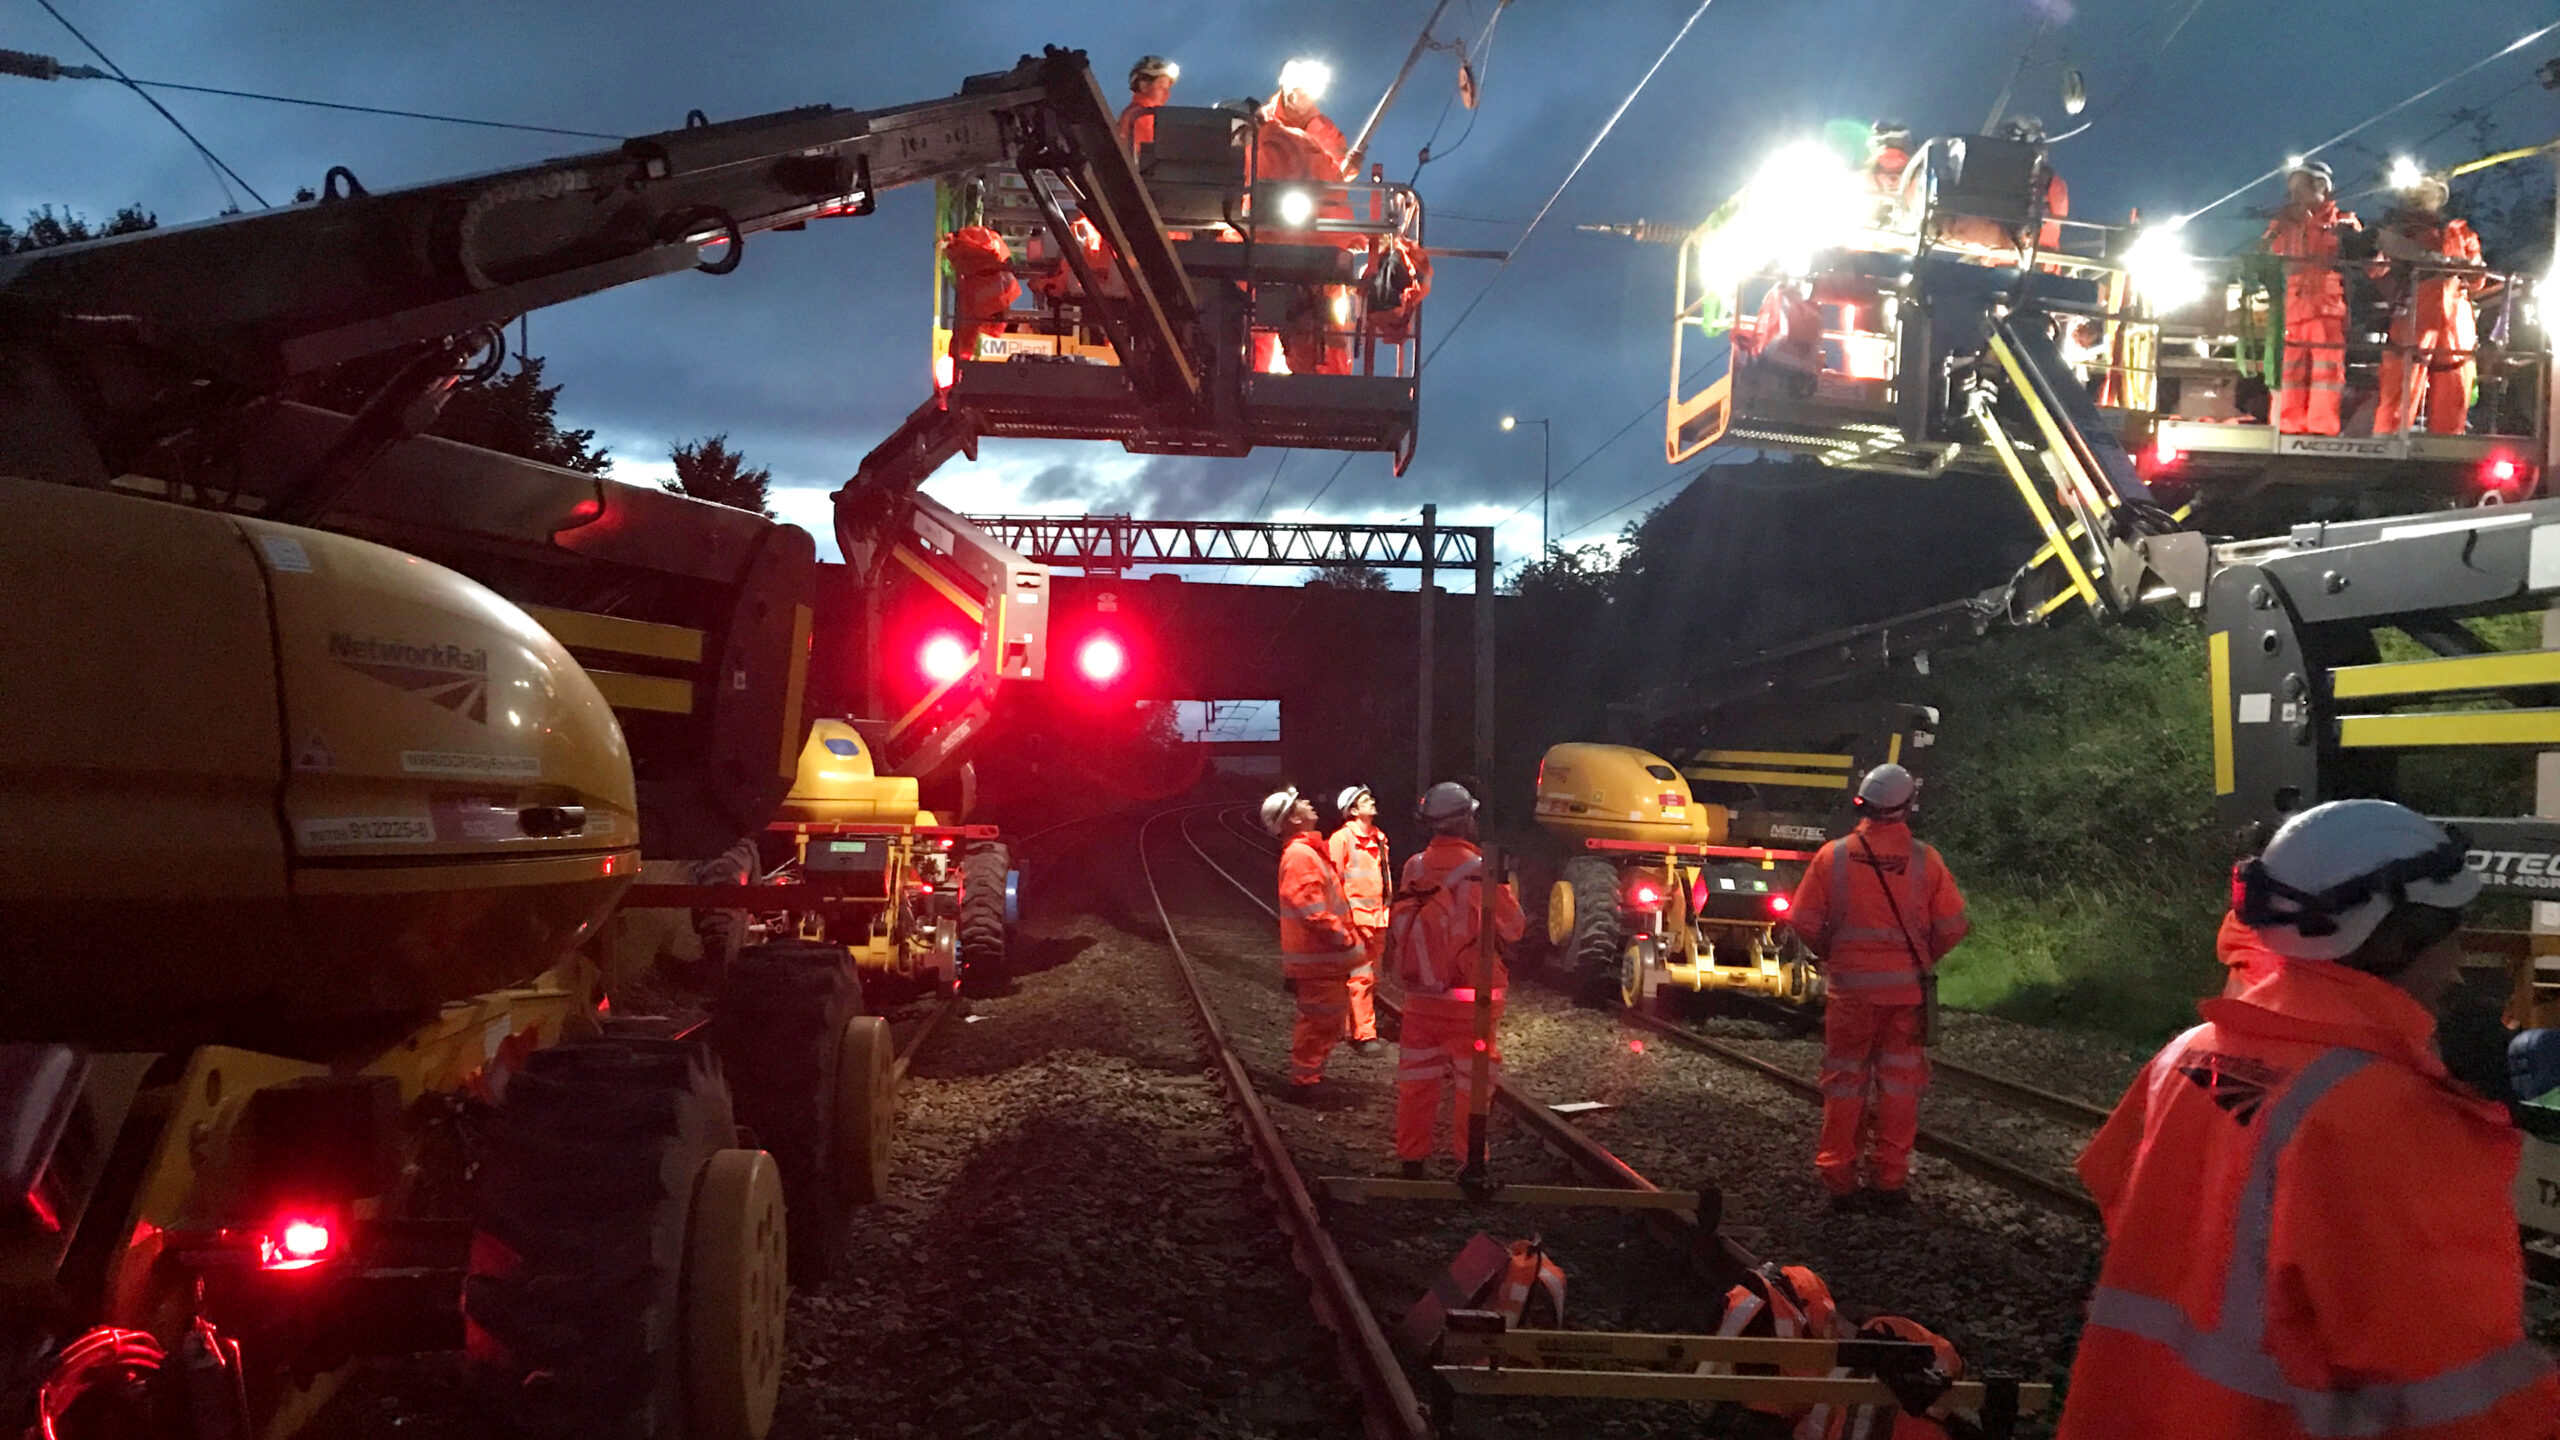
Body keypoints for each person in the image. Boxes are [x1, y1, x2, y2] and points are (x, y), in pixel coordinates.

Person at [2056, 800, 2560, 1439]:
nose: (2460, 962)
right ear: (2396, 938)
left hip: (2144, 1412)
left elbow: (2145, 1207)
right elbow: (2453, 1385)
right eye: (2454, 931)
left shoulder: (2191, 1055)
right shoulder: (2386, 1116)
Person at [1785, 763, 1968, 1209]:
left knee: (1845, 1084)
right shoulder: (1926, 861)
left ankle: (1839, 1181)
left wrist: (1836, 955)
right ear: (1906, 808)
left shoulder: (1834, 857)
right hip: (1906, 997)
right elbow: (1954, 925)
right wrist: (1920, 959)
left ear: (1862, 804)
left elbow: (1803, 920)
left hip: (1850, 995)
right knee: (1900, 1086)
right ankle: (1890, 1180)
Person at [1386, 782, 1523, 1176]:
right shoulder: (1480, 871)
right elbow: (1513, 927)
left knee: (1417, 1079)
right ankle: (1471, 1161)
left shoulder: (1414, 866)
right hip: (1470, 999)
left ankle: (1411, 1160)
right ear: (1465, 820)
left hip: (1421, 995)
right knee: (1473, 1082)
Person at [1252, 59, 1355, 376]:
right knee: (1258, 318)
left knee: (1328, 324)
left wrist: (1348, 168)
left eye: (1312, 93)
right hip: (1269, 237)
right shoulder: (1260, 125)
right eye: (1302, 92)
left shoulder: (1323, 129)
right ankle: (1254, 374)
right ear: (1287, 90)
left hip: (1318, 238)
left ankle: (1329, 383)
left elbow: (1336, 173)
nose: (1308, 100)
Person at [1263, 786, 1361, 1100]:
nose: (1308, 803)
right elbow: (1311, 909)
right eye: (1301, 803)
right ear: (1292, 818)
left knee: (1324, 1021)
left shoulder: (1305, 851)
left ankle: (1309, 1076)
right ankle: (1304, 1083)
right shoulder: (1301, 855)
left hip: (1322, 960)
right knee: (1319, 1021)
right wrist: (1342, 937)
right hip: (1319, 959)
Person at [2375, 172, 2486, 435]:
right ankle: (2389, 440)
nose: (2421, 198)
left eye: (2427, 192)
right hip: (2416, 309)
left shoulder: (2459, 232)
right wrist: (2442, 262)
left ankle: (2449, 443)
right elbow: (2380, 264)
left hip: (2456, 317)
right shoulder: (2397, 232)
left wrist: (2469, 267)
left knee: (2455, 386)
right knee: (2402, 383)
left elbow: (2478, 279)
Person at [2262, 161, 2360, 436]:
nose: (2293, 194)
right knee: (2289, 371)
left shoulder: (2342, 221)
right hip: (2292, 308)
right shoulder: (2283, 223)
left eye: (2299, 187)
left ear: (2320, 187)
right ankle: (2287, 425)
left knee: (2326, 372)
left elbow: (2367, 258)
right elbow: (2265, 255)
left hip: (2326, 309)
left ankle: (2321, 427)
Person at [1328, 785, 1389, 1055]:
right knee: (1361, 977)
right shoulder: (1341, 839)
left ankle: (1348, 1028)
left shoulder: (1379, 838)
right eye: (1367, 801)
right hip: (1356, 918)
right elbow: (1332, 882)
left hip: (1378, 918)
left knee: (1370, 977)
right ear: (1353, 810)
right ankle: (1364, 1034)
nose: (1373, 802)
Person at [1118, 55, 1177, 152]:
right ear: (1143, 86)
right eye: (1161, 86)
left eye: (1167, 88)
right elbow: (1152, 154)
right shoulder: (1140, 116)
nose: (1167, 93)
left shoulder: (1151, 115)